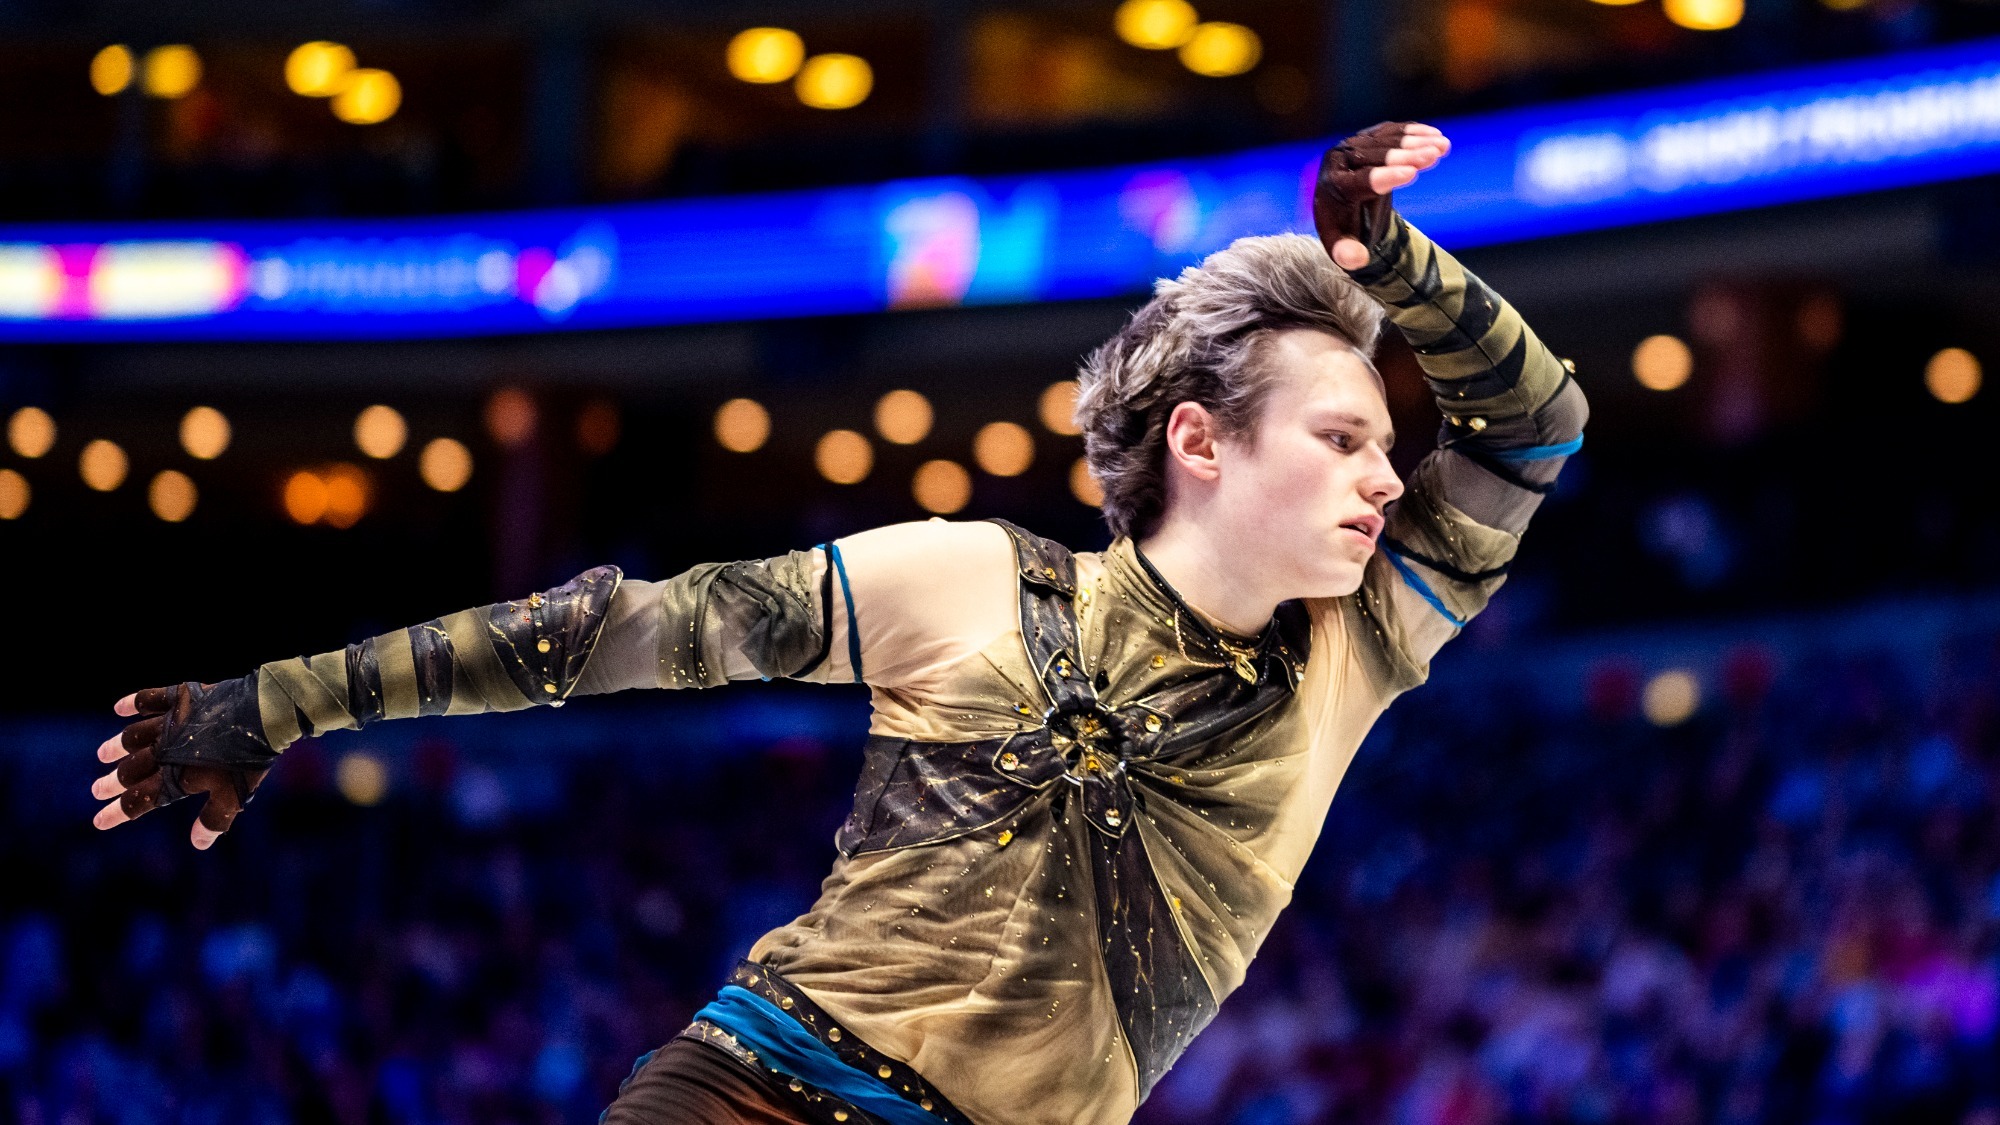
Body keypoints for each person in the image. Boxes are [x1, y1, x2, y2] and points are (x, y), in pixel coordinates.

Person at [89, 122, 1585, 1125]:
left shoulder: (1361, 643)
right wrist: (274, 700)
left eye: (1386, 440)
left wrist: (1383, 259)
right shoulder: (977, 581)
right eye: (1342, 436)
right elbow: (608, 632)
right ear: (1200, 441)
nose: (1391, 469)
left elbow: (1535, 424)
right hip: (758, 1093)